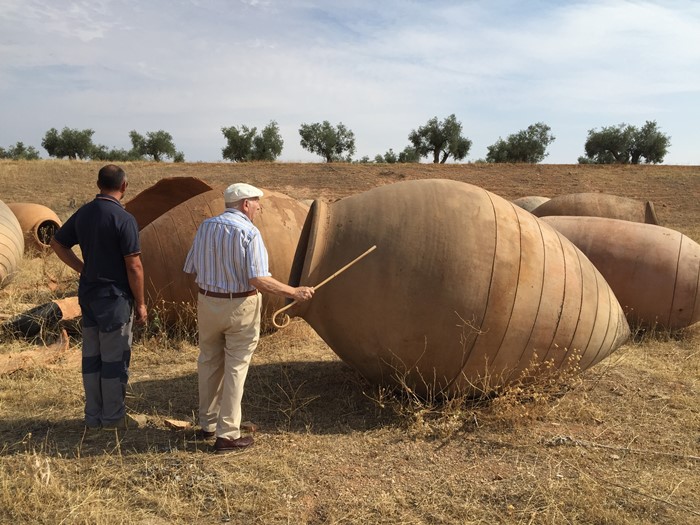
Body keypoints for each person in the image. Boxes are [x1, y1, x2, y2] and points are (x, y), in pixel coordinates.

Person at [183, 182, 314, 454]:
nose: (258, 207)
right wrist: (294, 292)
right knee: (235, 367)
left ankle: (208, 423)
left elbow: (190, 267)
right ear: (245, 204)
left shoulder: (206, 227)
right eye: (256, 203)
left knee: (208, 361)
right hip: (240, 305)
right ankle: (228, 434)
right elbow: (258, 279)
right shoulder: (249, 232)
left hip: (207, 302)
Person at [50, 164, 147, 431]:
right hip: (114, 299)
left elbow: (57, 243)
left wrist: (83, 268)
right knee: (115, 359)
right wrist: (140, 303)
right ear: (124, 186)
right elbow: (134, 266)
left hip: (89, 297)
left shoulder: (84, 213)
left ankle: (93, 416)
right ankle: (114, 418)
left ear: (98, 184)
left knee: (92, 358)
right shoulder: (123, 219)